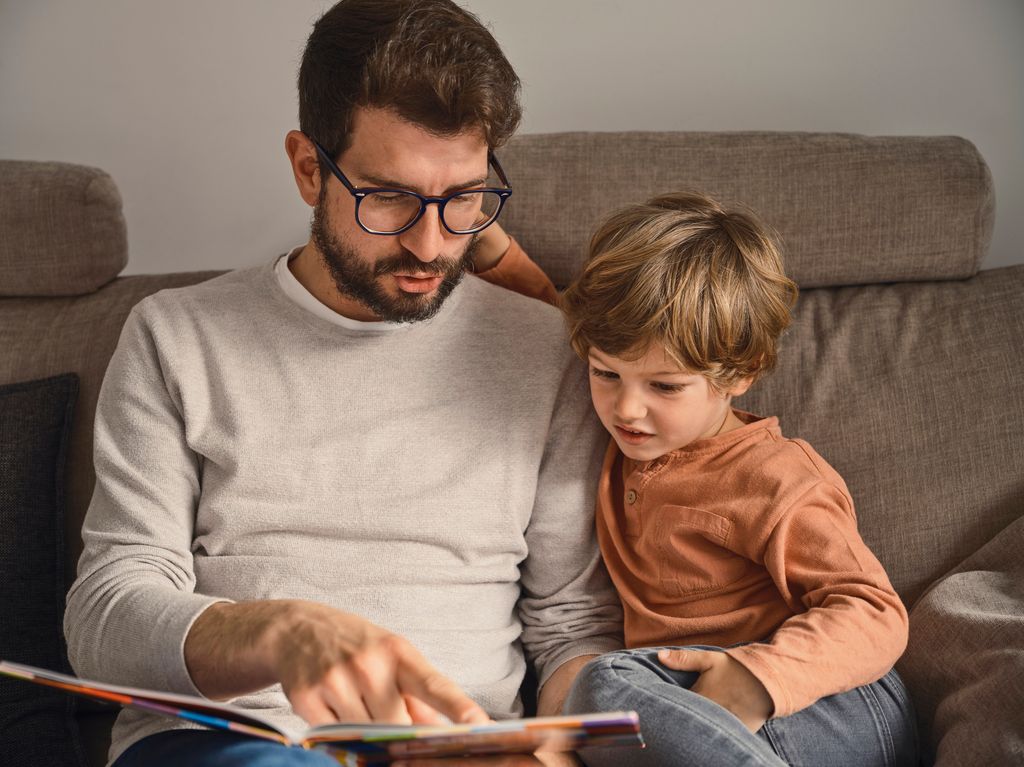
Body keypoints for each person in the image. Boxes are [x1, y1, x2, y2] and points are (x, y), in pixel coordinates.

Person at [64, 2, 622, 765]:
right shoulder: (176, 336)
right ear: (307, 168)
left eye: (463, 198)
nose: (431, 244)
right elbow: (105, 617)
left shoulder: (548, 350)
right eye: (388, 197)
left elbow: (569, 628)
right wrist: (277, 633)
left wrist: (552, 748)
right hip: (233, 745)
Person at [558, 191, 919, 766]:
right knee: (603, 716)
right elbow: (558, 312)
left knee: (602, 687)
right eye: (605, 373)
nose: (626, 408)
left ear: (739, 374)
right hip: (695, 713)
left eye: (665, 386)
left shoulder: (776, 478)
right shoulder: (625, 438)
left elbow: (874, 612)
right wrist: (493, 249)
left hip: (825, 702)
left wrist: (757, 678)